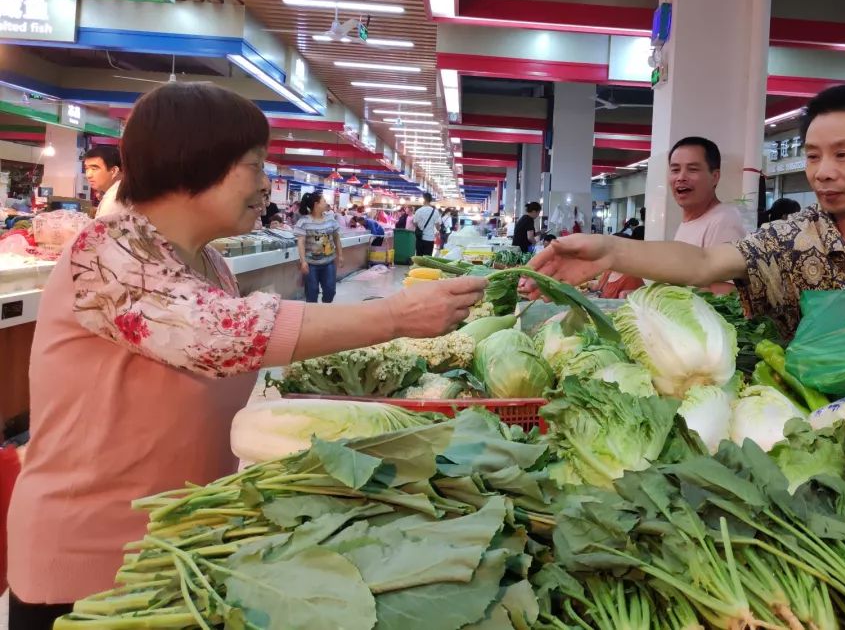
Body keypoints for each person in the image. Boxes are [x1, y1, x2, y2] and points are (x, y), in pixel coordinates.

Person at [6, 82, 487, 629]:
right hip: (89, 563)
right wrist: (397, 317)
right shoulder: (107, 251)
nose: (265, 185)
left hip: (179, 550)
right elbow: (223, 335)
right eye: (255, 166)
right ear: (196, 161)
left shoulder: (210, 263)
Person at [526, 82, 845, 345]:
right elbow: (704, 265)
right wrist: (610, 250)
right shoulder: (792, 240)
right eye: (814, 156)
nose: (822, 172)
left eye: (842, 155)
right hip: (821, 432)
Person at [669, 136, 746, 248]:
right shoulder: (691, 221)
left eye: (692, 169)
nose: (681, 177)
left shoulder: (724, 222)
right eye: (675, 170)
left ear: (714, 177)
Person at [294, 192, 343, 303]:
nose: (326, 203)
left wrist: (340, 255)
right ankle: (313, 315)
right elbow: (300, 242)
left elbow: (336, 238)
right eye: (324, 201)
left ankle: (324, 310)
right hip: (311, 264)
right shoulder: (304, 222)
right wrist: (303, 262)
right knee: (312, 292)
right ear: (316, 204)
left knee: (330, 290)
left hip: (329, 263)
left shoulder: (331, 219)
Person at [82, 145, 123, 219]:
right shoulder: (116, 192)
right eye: (87, 168)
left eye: (94, 169)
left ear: (114, 171)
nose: (88, 175)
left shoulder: (113, 200)